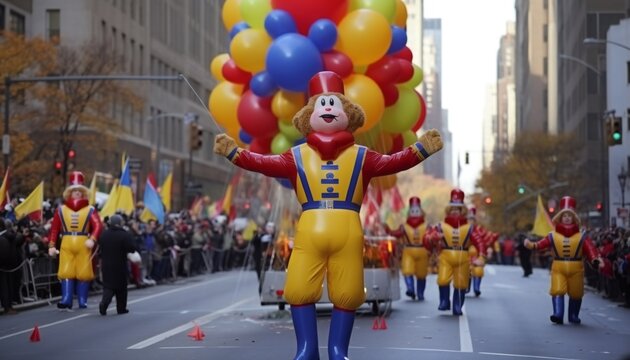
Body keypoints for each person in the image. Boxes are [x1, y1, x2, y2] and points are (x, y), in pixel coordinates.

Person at [214, 71, 443, 360]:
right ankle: (306, 349)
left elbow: (393, 161)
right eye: (321, 104)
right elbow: (262, 162)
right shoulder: (295, 156)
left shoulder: (363, 156)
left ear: (348, 113)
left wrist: (421, 150)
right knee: (298, 289)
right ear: (308, 115)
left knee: (348, 292)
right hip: (311, 231)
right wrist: (234, 153)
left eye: (333, 103)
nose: (327, 109)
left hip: (346, 232)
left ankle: (338, 351)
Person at [525, 196, 603, 324]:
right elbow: (541, 244)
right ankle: (558, 314)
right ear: (560, 218)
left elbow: (590, 249)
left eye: (569, 216)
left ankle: (573, 315)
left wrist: (595, 259)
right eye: (564, 215)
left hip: (576, 267)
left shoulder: (582, 235)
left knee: (576, 293)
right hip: (558, 266)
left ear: (574, 218)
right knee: (557, 290)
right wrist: (531, 245)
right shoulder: (553, 235)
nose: (567, 218)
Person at [48, 171, 103, 309]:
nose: (77, 193)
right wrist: (52, 245)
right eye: (74, 191)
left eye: (80, 191)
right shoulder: (61, 210)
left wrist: (93, 238)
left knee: (84, 272)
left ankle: (82, 299)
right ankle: (66, 298)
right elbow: (54, 229)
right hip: (66, 243)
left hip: (83, 243)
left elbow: (98, 225)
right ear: (70, 193)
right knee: (66, 271)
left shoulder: (90, 210)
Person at [430, 189, 487, 316]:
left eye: (458, 209)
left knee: (461, 283)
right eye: (453, 209)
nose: (455, 211)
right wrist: (433, 238)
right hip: (446, 256)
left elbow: (479, 242)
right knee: (443, 279)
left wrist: (482, 256)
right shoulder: (440, 226)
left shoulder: (468, 228)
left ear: (462, 211)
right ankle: (444, 301)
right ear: (449, 210)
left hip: (463, 257)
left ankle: (457, 306)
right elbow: (429, 237)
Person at [385, 197, 431, 301]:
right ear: (409, 213)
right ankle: (410, 289)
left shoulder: (426, 226)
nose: (414, 213)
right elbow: (397, 234)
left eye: (417, 211)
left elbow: (430, 236)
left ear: (421, 212)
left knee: (421, 273)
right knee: (407, 270)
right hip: (409, 251)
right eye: (412, 211)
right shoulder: (404, 226)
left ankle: (420, 293)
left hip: (422, 250)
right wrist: (388, 230)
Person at [98, 214, 139, 315]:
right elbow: (132, 248)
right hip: (120, 264)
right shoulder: (124, 234)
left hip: (106, 265)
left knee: (108, 286)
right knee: (121, 287)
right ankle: (121, 308)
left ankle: (104, 303)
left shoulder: (104, 234)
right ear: (120, 223)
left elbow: (100, 248)